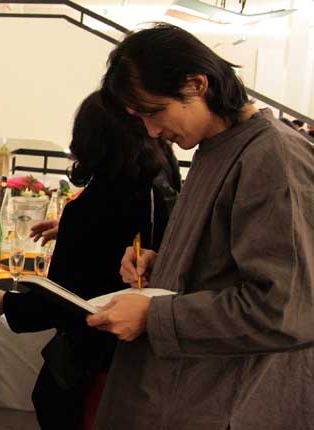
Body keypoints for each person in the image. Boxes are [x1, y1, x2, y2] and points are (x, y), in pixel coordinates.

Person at [88, 23, 314, 429]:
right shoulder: (215, 148)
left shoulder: (272, 156)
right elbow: (224, 263)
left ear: (196, 84)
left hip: (227, 401)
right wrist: (163, 263)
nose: (152, 131)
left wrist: (154, 315)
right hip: (186, 389)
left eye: (154, 112)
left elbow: (285, 308)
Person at [0, 91, 179, 430]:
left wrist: (4, 303)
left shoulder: (92, 206)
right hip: (146, 356)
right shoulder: (154, 182)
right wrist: (67, 230)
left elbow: (64, 300)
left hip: (98, 357)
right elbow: (121, 240)